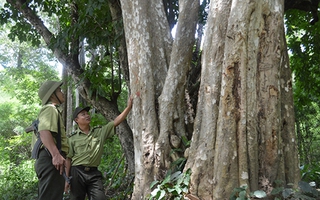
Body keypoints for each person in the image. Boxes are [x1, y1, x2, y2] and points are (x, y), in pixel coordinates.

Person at [65, 96, 133, 200]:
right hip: (77, 172)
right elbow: (68, 159)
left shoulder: (100, 132)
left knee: (100, 198)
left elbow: (115, 122)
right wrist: (66, 179)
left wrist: (128, 107)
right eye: (83, 114)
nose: (87, 115)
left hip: (93, 173)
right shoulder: (72, 138)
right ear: (76, 120)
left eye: (87, 113)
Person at [34, 80, 69, 199]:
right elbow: (44, 132)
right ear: (52, 95)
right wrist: (56, 155)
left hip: (50, 159)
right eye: (59, 91)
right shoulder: (50, 108)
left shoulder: (53, 110)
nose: (62, 93)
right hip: (50, 159)